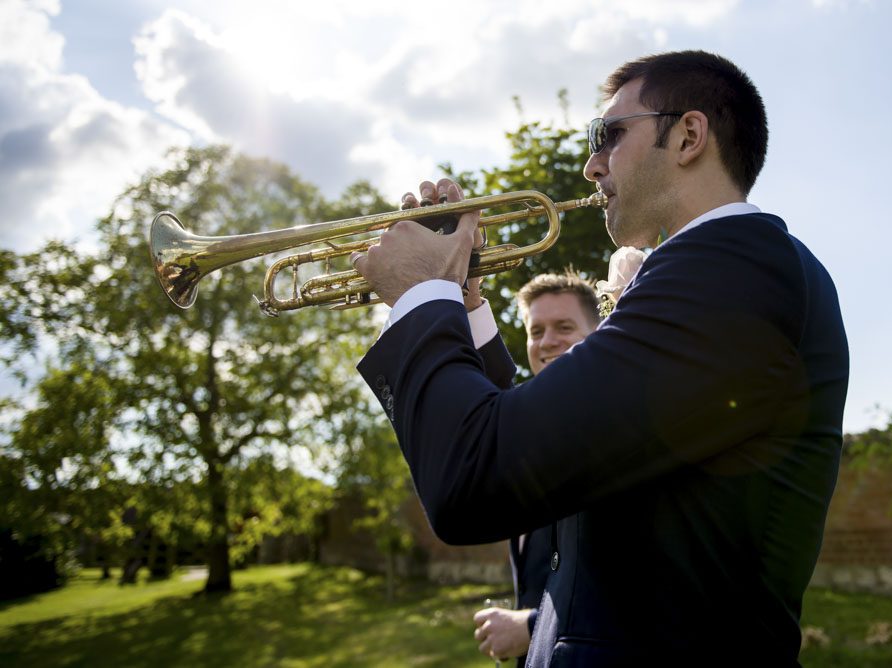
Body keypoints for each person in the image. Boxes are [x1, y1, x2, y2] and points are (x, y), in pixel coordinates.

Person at [353, 50, 849, 665]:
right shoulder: (723, 271)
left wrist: (422, 293)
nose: (591, 165)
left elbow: (475, 479)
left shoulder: (732, 267)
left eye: (608, 136)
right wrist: (461, 297)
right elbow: (537, 433)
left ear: (689, 135)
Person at [472, 274, 601, 665]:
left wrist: (529, 626)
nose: (547, 342)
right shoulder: (534, 424)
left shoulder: (613, 426)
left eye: (565, 327)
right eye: (536, 331)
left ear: (599, 333)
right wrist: (470, 293)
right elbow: (494, 388)